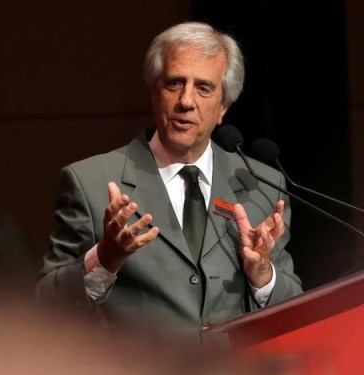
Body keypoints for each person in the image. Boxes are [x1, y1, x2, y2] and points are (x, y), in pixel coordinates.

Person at [37, 22, 303, 333]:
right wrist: (104, 260)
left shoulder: (262, 186)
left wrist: (263, 277)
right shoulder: (90, 182)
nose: (186, 101)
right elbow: (46, 306)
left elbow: (295, 308)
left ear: (223, 108)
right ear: (153, 93)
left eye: (203, 88)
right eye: (175, 83)